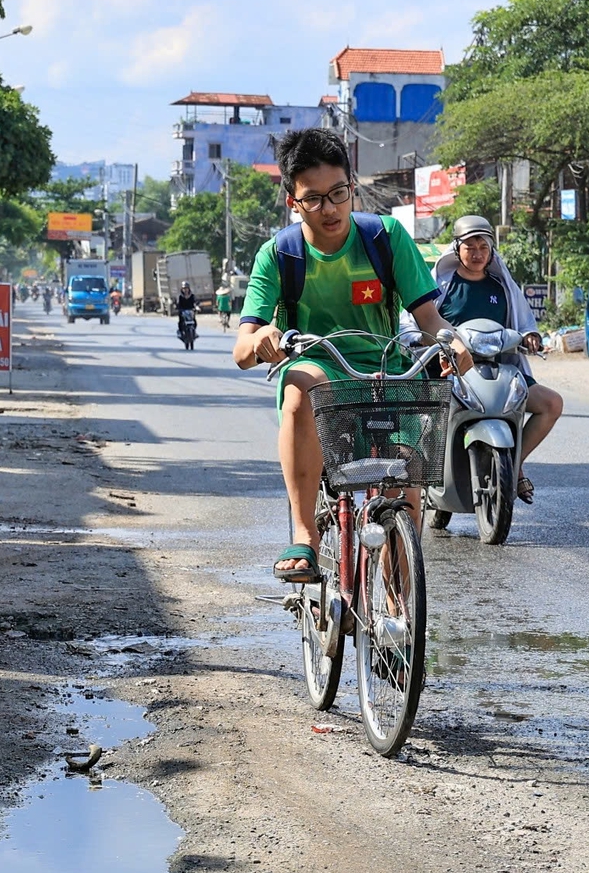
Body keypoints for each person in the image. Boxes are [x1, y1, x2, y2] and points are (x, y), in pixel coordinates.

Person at [233, 126, 471, 583]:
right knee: (302, 384)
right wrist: (264, 338)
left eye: (339, 193)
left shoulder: (386, 237)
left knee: (406, 510)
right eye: (314, 198)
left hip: (386, 374)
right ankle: (303, 535)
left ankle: (399, 617)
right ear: (292, 201)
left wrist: (453, 341)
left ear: (351, 187)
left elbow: (430, 319)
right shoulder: (279, 254)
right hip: (319, 370)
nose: (330, 208)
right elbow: (242, 349)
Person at [432, 214, 562, 506]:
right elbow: (420, 319)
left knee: (551, 404)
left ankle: (514, 466)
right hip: (450, 370)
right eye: (470, 247)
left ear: (491, 250)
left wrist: (530, 335)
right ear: (456, 249)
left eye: (483, 247)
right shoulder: (442, 286)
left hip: (499, 367)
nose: (477, 253)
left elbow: (523, 318)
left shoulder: (501, 285)